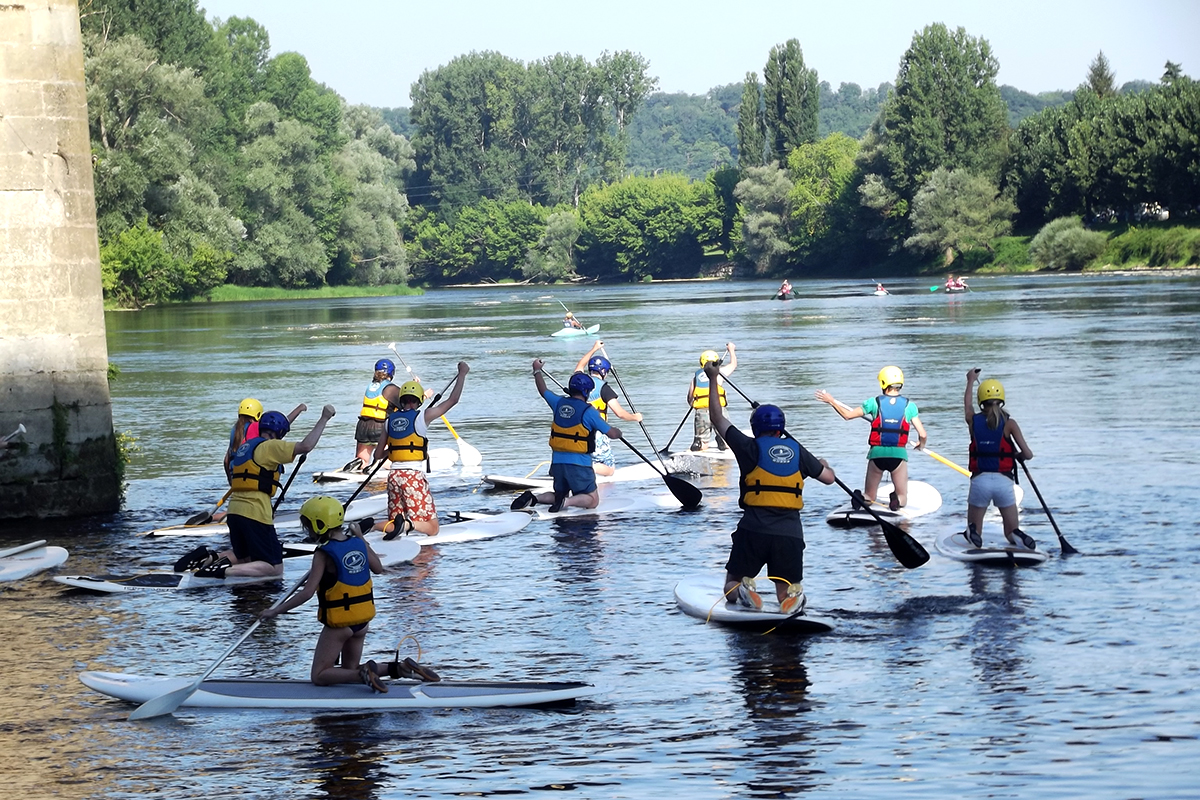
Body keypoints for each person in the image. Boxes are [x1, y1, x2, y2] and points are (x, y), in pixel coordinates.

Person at [704, 361, 836, 615]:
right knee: (784, 590)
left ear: (756, 428)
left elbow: (717, 418)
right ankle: (791, 597)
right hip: (790, 535)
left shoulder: (748, 447)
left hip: (754, 530)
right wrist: (822, 463)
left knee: (730, 587)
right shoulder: (798, 451)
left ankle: (743, 589)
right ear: (781, 429)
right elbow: (829, 478)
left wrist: (713, 378)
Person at [177, 405, 336, 578]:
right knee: (274, 567)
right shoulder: (270, 447)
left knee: (245, 557)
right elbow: (306, 446)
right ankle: (221, 571)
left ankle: (209, 557)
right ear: (280, 433)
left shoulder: (246, 446)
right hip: (255, 513)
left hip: (235, 512)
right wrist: (324, 418)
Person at [258, 496, 392, 693]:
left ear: (318, 525)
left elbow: (307, 593)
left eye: (307, 526)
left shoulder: (323, 553)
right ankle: (398, 668)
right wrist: (361, 537)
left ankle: (363, 673)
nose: (307, 531)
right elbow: (378, 569)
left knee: (320, 675)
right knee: (347, 670)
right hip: (362, 621)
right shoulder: (358, 543)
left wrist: (276, 611)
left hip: (340, 625)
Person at [371, 362, 469, 538]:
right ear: (418, 400)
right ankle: (409, 525)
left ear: (402, 400)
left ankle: (370, 527)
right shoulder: (423, 416)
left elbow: (377, 455)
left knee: (394, 522)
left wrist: (394, 449)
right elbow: (453, 400)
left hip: (393, 477)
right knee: (432, 528)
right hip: (413, 476)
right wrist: (462, 374)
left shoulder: (389, 420)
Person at [511, 362, 624, 513]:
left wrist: (537, 371)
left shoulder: (557, 402)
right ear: (586, 392)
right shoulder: (589, 412)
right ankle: (566, 502)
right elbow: (612, 434)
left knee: (559, 494)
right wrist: (619, 432)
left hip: (557, 463)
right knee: (593, 500)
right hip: (579, 465)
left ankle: (534, 498)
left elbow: (543, 390)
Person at [814, 366, 928, 511]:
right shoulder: (909, 406)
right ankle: (896, 499)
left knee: (870, 496)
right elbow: (923, 434)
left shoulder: (874, 403)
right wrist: (921, 445)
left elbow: (847, 415)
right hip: (898, 455)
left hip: (877, 454)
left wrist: (831, 401)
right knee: (903, 498)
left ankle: (861, 498)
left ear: (883, 383)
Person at [963, 370, 1036, 549]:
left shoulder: (973, 420)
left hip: (980, 481)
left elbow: (967, 406)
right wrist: (1015, 455)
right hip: (1004, 483)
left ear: (981, 401)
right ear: (1002, 398)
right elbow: (1028, 454)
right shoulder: (1010, 423)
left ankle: (973, 533)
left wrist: (970, 381)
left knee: (975, 529)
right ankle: (1017, 535)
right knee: (1010, 532)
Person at [573, 341, 643, 477]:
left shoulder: (578, 381)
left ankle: (581, 467)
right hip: (597, 432)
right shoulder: (605, 389)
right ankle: (588, 467)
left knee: (586, 455)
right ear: (604, 371)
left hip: (577, 430)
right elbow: (620, 413)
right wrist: (635, 417)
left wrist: (594, 348)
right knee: (609, 469)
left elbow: (580, 365)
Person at [348, 359, 396, 473]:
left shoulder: (370, 386)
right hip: (380, 428)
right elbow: (410, 403)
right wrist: (422, 393)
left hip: (363, 426)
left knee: (363, 459)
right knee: (388, 460)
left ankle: (359, 463)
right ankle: (377, 463)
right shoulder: (390, 388)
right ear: (391, 373)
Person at [688, 344, 737, 451]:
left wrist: (696, 406)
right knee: (727, 440)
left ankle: (700, 444)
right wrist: (731, 350)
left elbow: (690, 398)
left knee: (703, 442)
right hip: (719, 411)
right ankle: (722, 442)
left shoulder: (695, 378)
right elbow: (733, 364)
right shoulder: (720, 373)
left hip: (701, 412)